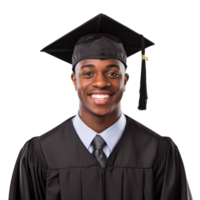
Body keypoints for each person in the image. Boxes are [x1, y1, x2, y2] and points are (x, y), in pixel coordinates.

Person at [8, 13, 193, 200]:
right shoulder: (41, 153)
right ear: (74, 80)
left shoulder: (159, 152)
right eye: (88, 73)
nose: (100, 82)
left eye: (112, 73)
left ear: (126, 80)